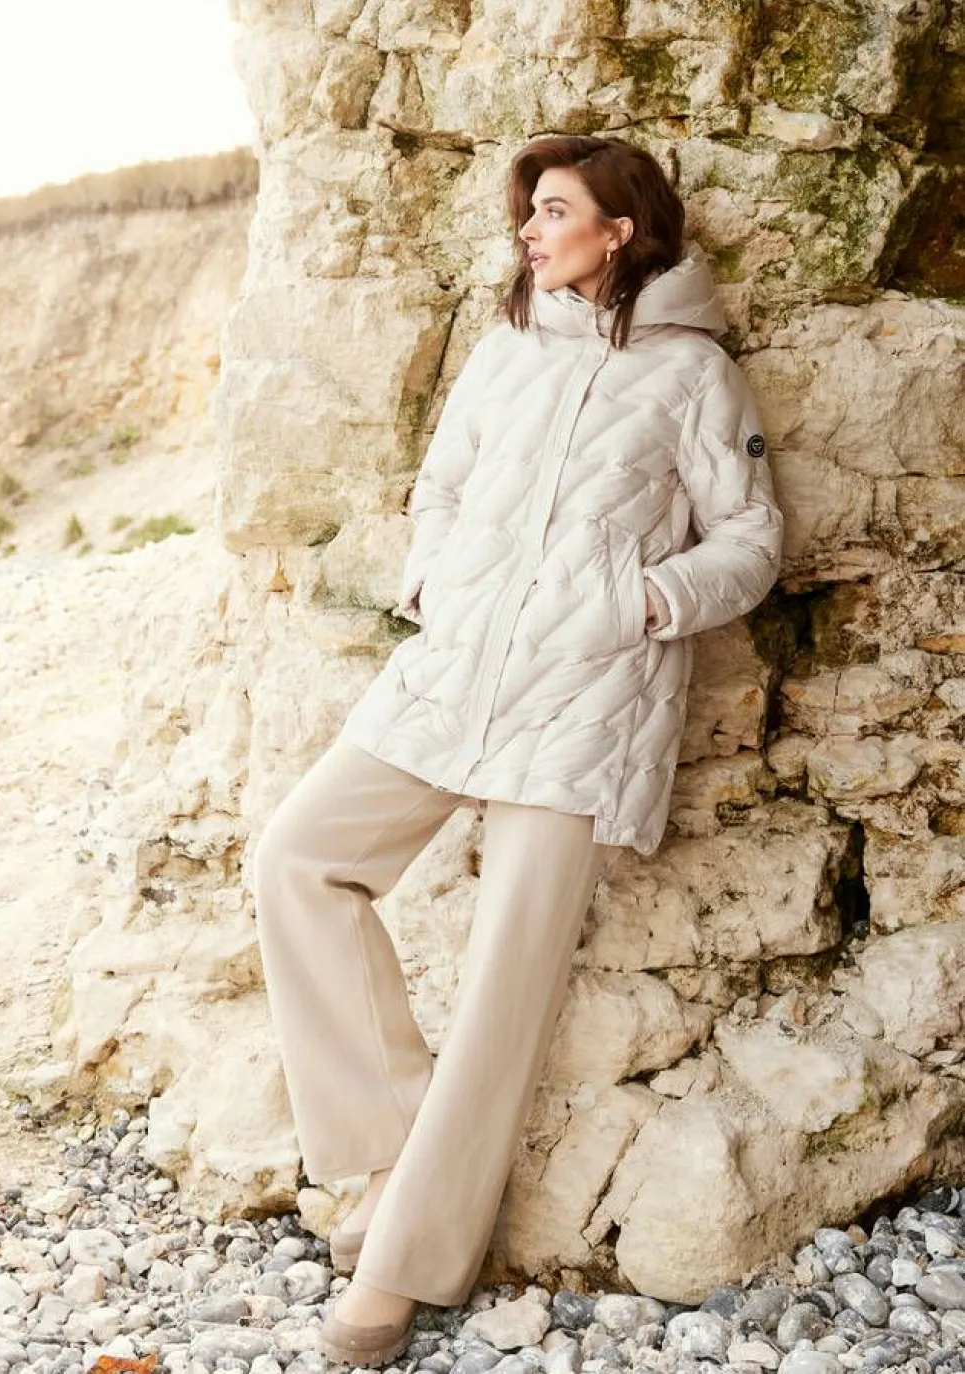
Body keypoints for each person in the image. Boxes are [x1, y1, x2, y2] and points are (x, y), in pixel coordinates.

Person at [252, 133, 784, 1368]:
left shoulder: (694, 374)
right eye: (529, 213)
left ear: (619, 230)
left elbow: (751, 539)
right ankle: (389, 1153)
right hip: (452, 676)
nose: (529, 233)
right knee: (297, 859)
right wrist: (436, 581)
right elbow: (439, 490)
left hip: (585, 699)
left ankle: (401, 1265)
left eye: (552, 211)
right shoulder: (502, 349)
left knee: (505, 981)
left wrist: (640, 604)